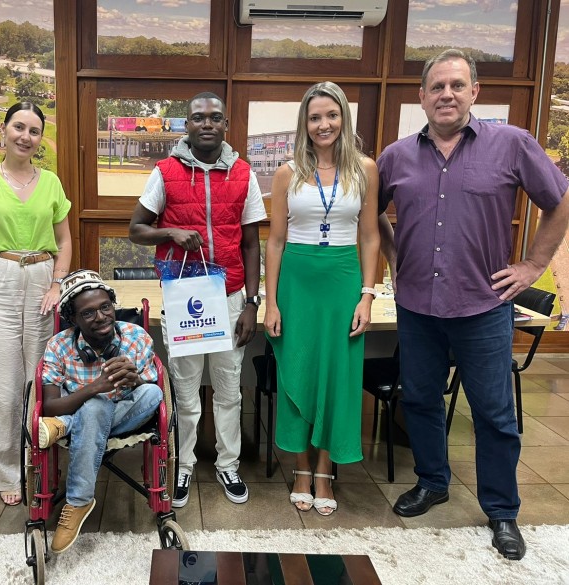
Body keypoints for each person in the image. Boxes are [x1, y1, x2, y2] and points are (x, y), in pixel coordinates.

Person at [377, 49, 569, 560]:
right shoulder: (396, 156)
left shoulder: (512, 144)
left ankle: (502, 511)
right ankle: (432, 482)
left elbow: (559, 200)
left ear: (474, 92)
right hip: (417, 307)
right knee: (420, 400)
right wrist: (394, 258)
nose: (447, 95)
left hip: (483, 307)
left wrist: (533, 264)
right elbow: (370, 214)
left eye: (457, 85)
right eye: (437, 87)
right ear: (422, 96)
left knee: (494, 414)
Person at [129, 92, 266, 507]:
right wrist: (170, 232)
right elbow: (136, 229)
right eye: (198, 117)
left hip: (229, 296)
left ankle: (228, 464)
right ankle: (183, 464)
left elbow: (252, 244)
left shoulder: (244, 174)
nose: (207, 123)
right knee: (185, 390)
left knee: (229, 389)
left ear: (225, 125)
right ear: (186, 125)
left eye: (215, 117)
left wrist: (252, 303)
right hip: (184, 294)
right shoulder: (165, 172)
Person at [263, 82, 380, 516]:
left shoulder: (365, 169)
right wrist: (271, 302)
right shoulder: (287, 172)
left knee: (337, 376)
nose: (323, 124)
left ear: (343, 118)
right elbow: (275, 241)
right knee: (299, 369)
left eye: (331, 115)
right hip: (297, 283)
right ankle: (300, 468)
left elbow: (370, 237)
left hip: (343, 281)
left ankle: (326, 468)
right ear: (305, 123)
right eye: (315, 117)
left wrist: (366, 296)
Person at [0, 101, 72, 506]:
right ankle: (6, 471)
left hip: (42, 279)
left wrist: (57, 283)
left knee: (40, 379)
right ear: (4, 130)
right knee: (1, 384)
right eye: (19, 127)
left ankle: (39, 464)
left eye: (34, 131)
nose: (26, 136)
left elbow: (64, 241)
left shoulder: (52, 183)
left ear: (41, 138)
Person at [37, 270, 163, 553]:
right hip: (86, 411)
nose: (101, 317)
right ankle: (79, 501)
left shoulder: (136, 337)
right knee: (95, 406)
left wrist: (135, 379)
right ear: (73, 319)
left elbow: (149, 390)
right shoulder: (58, 346)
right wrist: (95, 388)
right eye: (88, 313)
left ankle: (65, 425)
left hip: (126, 410)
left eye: (106, 307)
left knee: (153, 393)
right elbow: (49, 405)